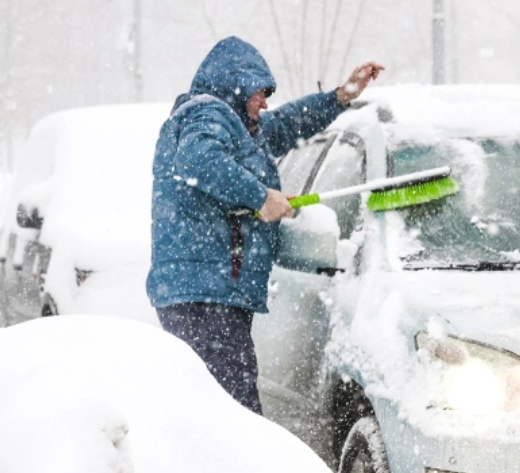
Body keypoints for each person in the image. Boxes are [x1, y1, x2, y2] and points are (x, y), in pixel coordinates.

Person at [147, 36, 382, 414]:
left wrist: (340, 96)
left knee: (214, 413)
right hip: (205, 294)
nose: (265, 101)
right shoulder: (207, 113)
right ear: (234, 86)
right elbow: (198, 160)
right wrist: (261, 197)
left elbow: (289, 123)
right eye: (259, 92)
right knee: (232, 417)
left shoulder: (241, 128)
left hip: (210, 292)